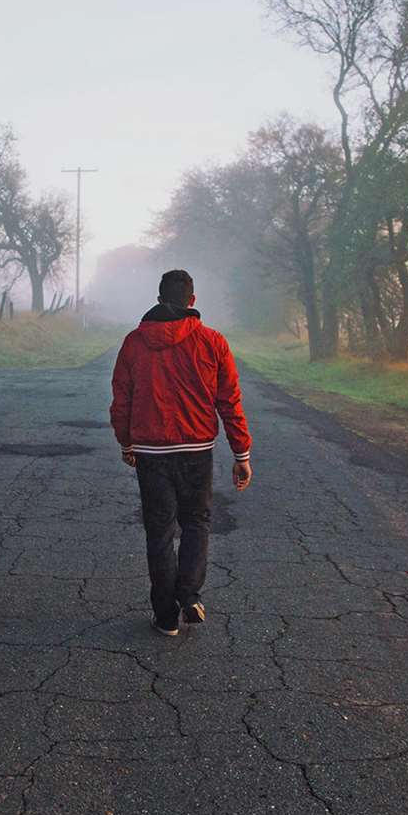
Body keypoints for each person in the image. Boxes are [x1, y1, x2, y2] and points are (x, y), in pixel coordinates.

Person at [109, 269, 253, 636]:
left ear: (159, 299)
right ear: (192, 301)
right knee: (196, 523)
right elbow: (229, 401)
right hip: (196, 450)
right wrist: (242, 453)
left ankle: (166, 615)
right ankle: (189, 595)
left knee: (159, 531)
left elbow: (121, 400)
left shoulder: (133, 343)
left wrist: (127, 442)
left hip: (150, 451)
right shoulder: (212, 342)